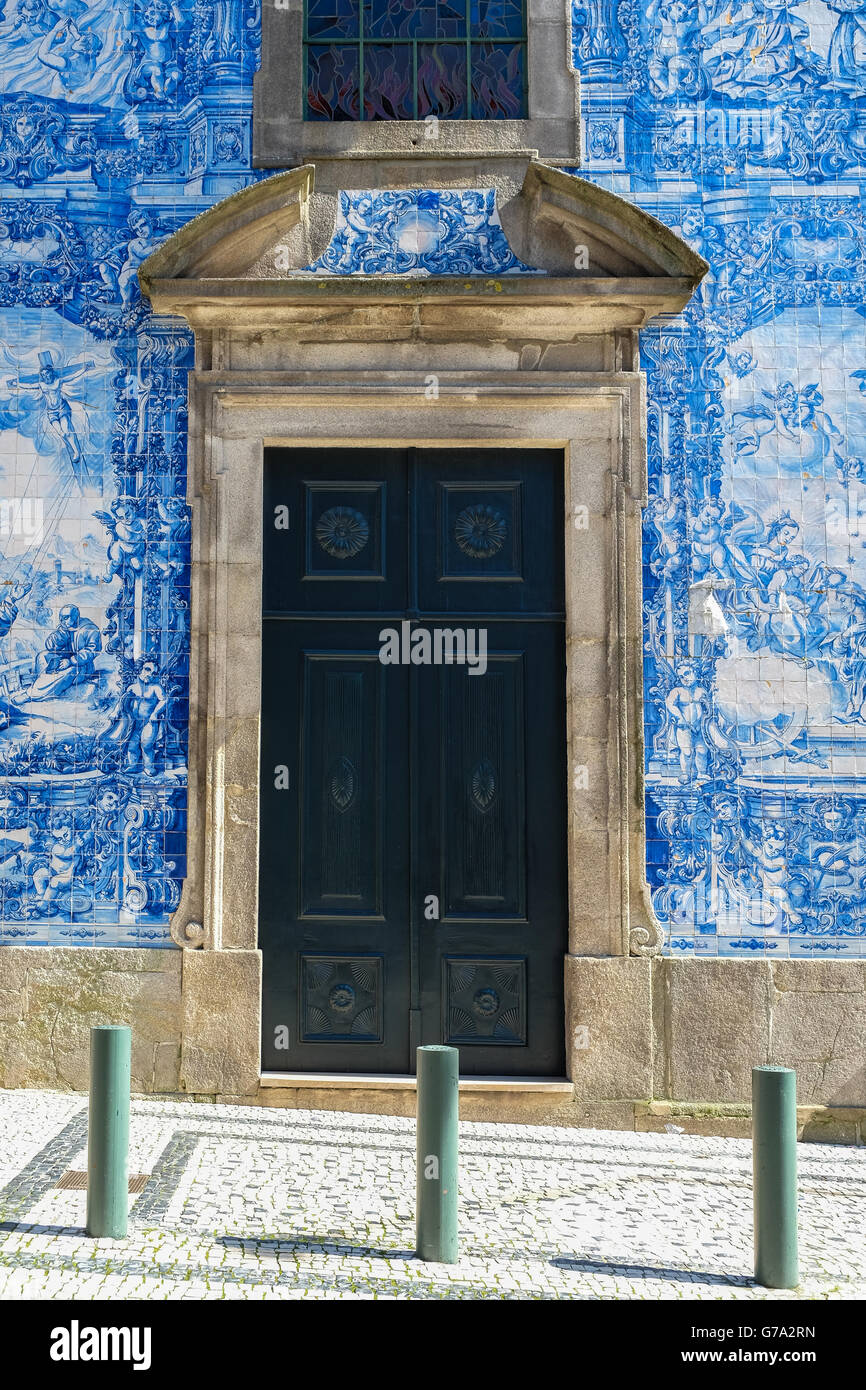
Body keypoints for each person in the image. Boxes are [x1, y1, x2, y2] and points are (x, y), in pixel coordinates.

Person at [27, 603, 102, 701]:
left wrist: (71, 661)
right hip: (66, 659)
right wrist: (61, 633)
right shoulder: (65, 628)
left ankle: (34, 695)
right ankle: (39, 684)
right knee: (42, 655)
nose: (62, 621)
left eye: (65, 618)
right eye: (61, 618)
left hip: (82, 665)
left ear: (75, 617)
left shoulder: (90, 629)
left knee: (69, 671)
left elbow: (92, 651)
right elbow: (50, 647)